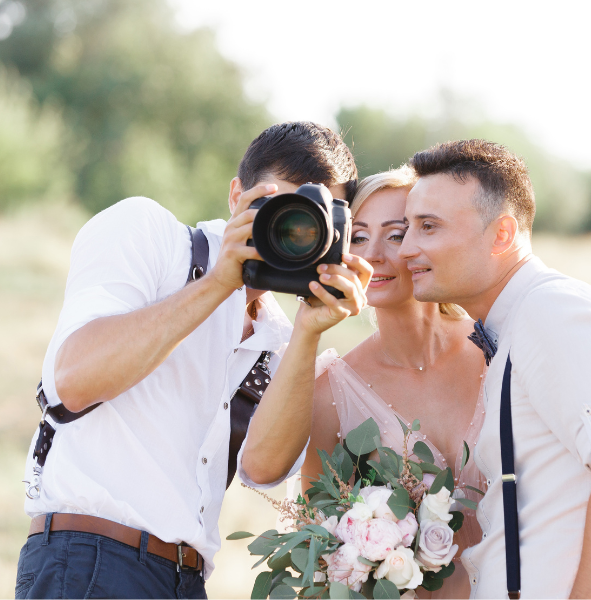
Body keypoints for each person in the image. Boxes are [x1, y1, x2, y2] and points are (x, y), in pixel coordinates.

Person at [15, 122, 373, 600]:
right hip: (89, 559)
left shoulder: (283, 341)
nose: (289, 231)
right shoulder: (150, 234)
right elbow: (74, 379)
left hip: (185, 580)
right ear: (235, 196)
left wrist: (310, 329)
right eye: (277, 208)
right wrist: (218, 284)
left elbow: (263, 471)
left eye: (308, 222)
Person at [398, 140, 591, 599]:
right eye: (408, 227)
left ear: (502, 234)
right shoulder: (522, 321)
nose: (407, 248)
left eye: (428, 227)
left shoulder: (553, 311)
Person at [252, 167, 489, 598]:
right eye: (358, 237)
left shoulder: (499, 352)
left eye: (396, 235)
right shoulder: (333, 394)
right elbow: (319, 553)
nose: (374, 254)